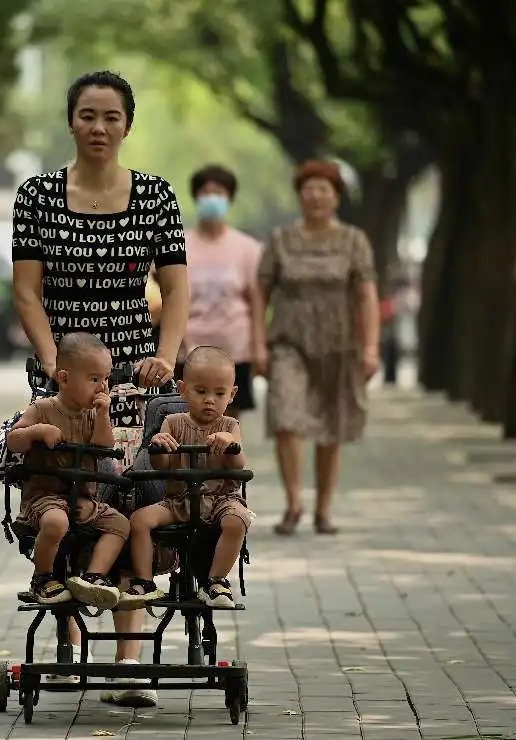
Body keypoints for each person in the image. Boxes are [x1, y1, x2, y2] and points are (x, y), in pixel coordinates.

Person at [11, 69, 189, 708]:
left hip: (135, 380)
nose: (99, 128)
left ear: (127, 125)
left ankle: (129, 655)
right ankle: (64, 631)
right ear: (71, 121)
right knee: (64, 493)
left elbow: (174, 287)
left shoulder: (155, 197)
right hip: (60, 376)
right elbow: (26, 288)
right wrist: (49, 358)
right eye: (88, 115)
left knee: (127, 492)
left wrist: (166, 358)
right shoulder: (36, 195)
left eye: (111, 117)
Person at [254, 160, 380, 536]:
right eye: (309, 189)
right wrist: (258, 344)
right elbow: (260, 294)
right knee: (286, 419)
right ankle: (294, 502)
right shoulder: (280, 240)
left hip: (340, 344)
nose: (316, 196)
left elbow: (367, 295)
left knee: (331, 426)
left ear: (337, 197)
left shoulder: (354, 241)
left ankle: (324, 509)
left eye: (324, 189)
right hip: (289, 342)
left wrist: (371, 347)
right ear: (299, 196)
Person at [120, 347, 251, 611]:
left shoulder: (230, 426)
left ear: (232, 394)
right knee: (139, 520)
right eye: (200, 392)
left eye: (219, 393)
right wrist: (159, 445)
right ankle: (144, 581)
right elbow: (162, 466)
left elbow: (239, 467)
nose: (210, 400)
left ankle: (216, 581)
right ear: (182, 389)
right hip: (179, 500)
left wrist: (231, 446)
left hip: (220, 499)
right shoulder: (173, 422)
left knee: (238, 520)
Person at [6, 333, 130, 607]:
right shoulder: (42, 408)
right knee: (56, 522)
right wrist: (37, 431)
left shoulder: (92, 414)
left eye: (106, 379)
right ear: (63, 378)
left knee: (120, 524)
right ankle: (43, 577)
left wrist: (103, 415)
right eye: (94, 379)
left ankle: (92, 577)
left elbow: (104, 445)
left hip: (83, 499)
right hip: (44, 499)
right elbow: (14, 441)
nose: (102, 387)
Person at [177, 165, 264, 418]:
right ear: (196, 197)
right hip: (189, 349)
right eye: (205, 192)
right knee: (186, 421)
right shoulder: (180, 245)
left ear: (230, 198)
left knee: (229, 422)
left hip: (235, 349)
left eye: (219, 192)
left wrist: (259, 348)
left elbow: (256, 301)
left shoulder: (247, 248)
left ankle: (227, 459)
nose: (212, 198)